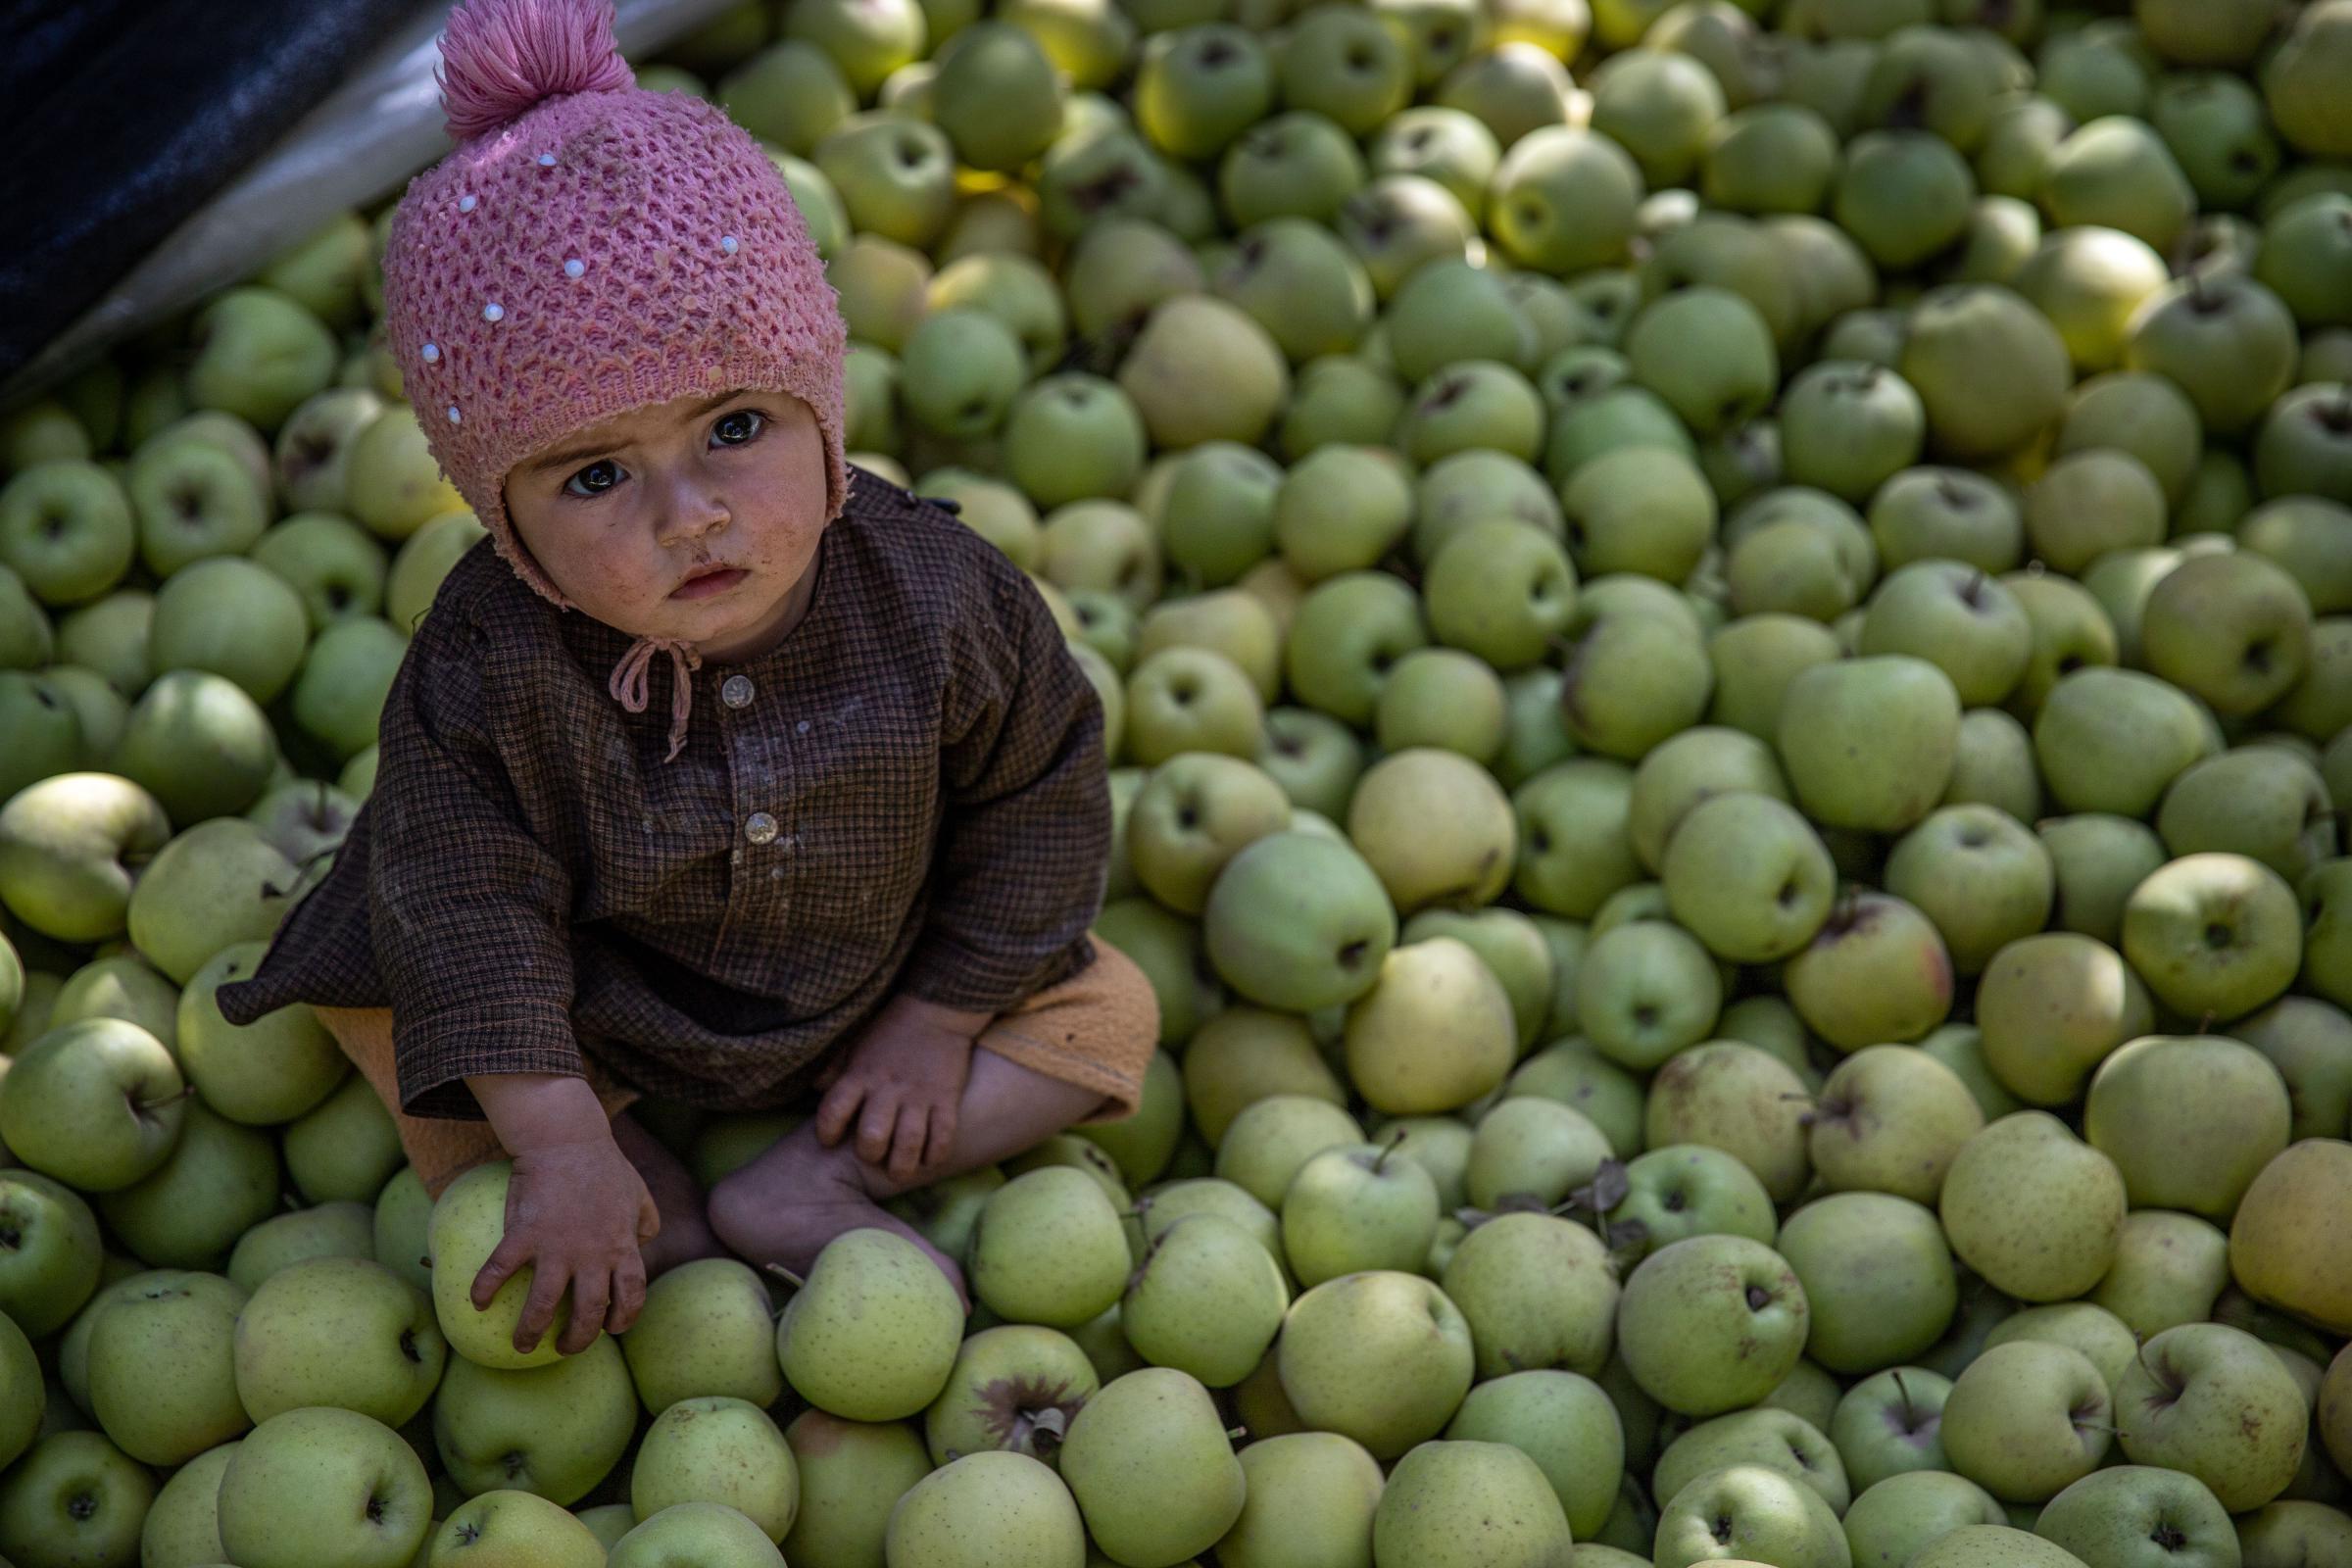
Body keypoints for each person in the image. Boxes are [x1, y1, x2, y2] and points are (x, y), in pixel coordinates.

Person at [217, 0, 1155, 1359]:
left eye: (734, 428)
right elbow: (466, 900)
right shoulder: (486, 666)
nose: (689, 516)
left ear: (822, 412)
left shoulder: (942, 600)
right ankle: (619, 1175)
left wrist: (938, 1019)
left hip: (877, 982)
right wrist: (554, 1133)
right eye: (595, 476)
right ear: (500, 515)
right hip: (602, 1005)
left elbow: (1044, 797)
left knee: (1107, 1011)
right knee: (386, 972)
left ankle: (815, 1180)